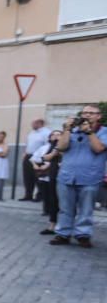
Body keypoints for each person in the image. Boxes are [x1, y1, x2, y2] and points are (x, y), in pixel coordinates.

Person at [50, 105, 107, 248]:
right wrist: (67, 129)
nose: (87, 115)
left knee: (86, 209)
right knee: (65, 208)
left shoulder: (104, 132)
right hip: (67, 176)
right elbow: (62, 147)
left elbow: (99, 148)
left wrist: (89, 132)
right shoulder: (73, 131)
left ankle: (83, 234)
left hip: (90, 177)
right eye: (84, 113)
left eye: (91, 113)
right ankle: (63, 234)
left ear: (98, 116)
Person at [31, 130, 62, 235]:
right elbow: (41, 158)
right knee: (52, 201)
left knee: (62, 203)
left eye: (59, 134)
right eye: (54, 134)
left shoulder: (64, 146)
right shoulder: (47, 147)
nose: (56, 136)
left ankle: (64, 226)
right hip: (50, 177)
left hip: (62, 177)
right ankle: (52, 225)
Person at [21, 118, 51, 201]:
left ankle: (39, 196)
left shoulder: (46, 133)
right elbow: (28, 144)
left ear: (40, 123)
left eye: (34, 123)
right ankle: (28, 195)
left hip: (38, 157)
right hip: (28, 156)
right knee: (27, 176)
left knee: (38, 177)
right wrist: (25, 153)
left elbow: (47, 146)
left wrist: (44, 159)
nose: (32, 125)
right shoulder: (32, 133)